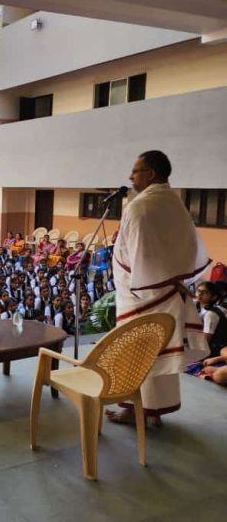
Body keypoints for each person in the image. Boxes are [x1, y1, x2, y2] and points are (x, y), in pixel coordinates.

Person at [107, 150, 210, 427]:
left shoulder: (140, 207)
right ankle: (155, 410)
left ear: (150, 174)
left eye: (136, 170)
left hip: (142, 293)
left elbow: (140, 254)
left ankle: (134, 410)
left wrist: (144, 281)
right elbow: (185, 248)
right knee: (158, 353)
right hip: (165, 290)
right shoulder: (174, 204)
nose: (131, 176)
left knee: (137, 353)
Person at [195, 281, 227, 358]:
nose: (200, 294)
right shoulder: (200, 308)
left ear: (214, 297)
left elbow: (205, 341)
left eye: (205, 292)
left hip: (214, 351)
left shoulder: (210, 314)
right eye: (198, 291)